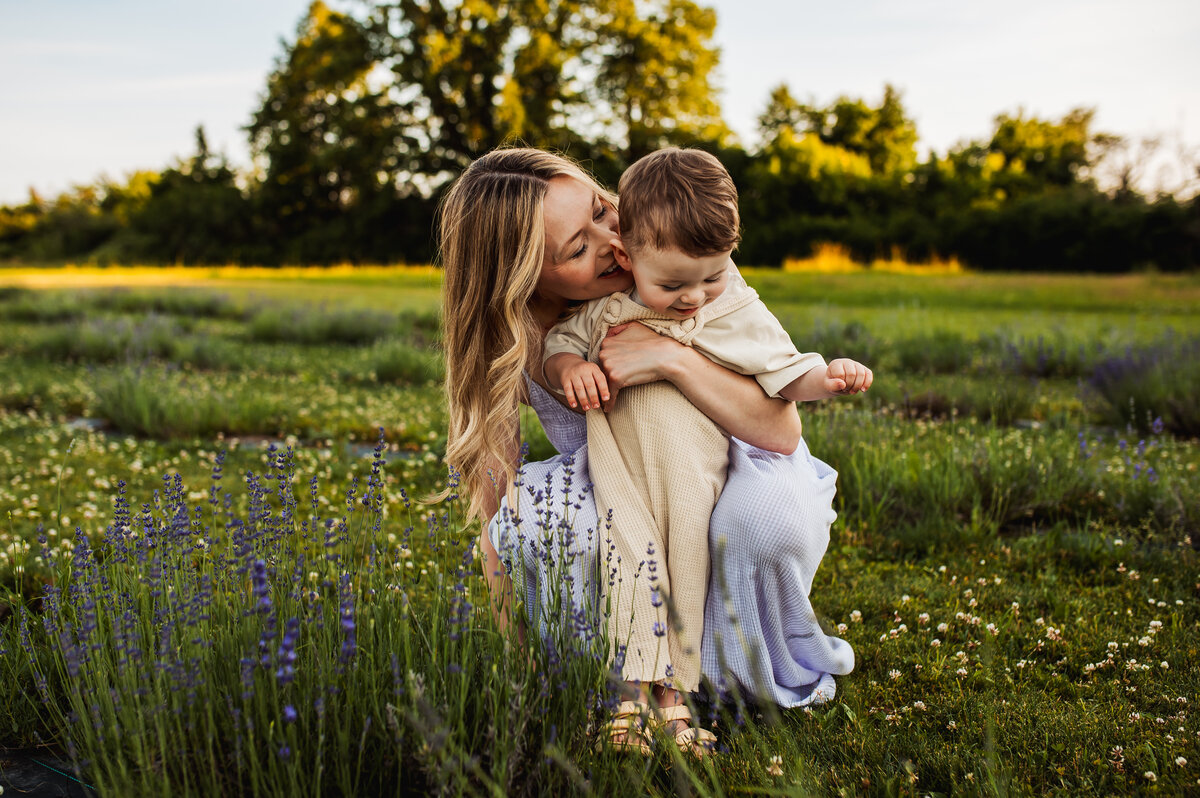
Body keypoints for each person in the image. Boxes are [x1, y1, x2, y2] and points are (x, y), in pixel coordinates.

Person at [438, 147, 855, 756]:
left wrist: (669, 357)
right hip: (614, 470)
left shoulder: (681, 261)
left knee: (755, 524)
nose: (613, 243)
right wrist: (517, 643)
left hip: (734, 449)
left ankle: (738, 672)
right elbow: (495, 492)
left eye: (603, 212)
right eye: (578, 249)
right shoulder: (523, 334)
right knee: (539, 526)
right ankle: (622, 684)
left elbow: (780, 430)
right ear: (523, 278)